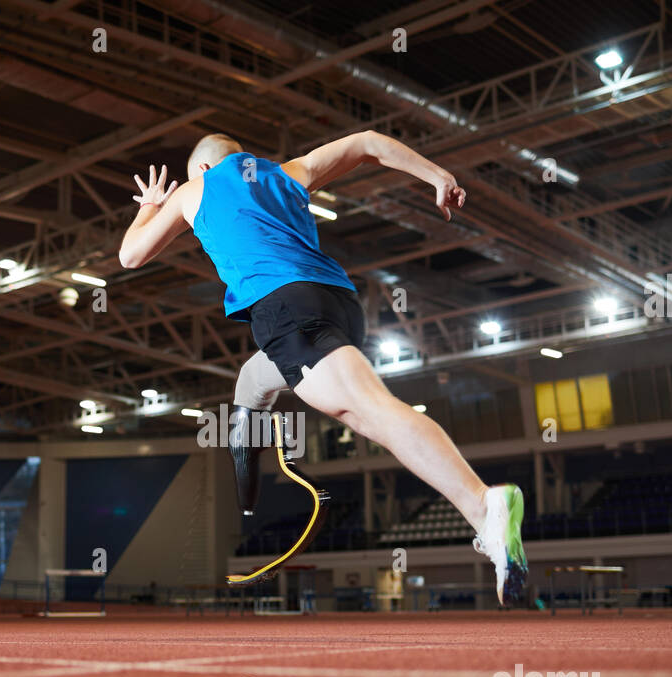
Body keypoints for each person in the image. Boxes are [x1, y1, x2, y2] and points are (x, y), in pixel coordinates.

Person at [117, 131, 527, 605]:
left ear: (204, 169)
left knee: (376, 412)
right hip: (337, 304)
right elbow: (369, 143)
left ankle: (483, 505)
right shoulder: (289, 171)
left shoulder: (195, 189)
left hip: (285, 307)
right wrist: (437, 175)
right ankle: (246, 451)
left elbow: (130, 255)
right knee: (267, 384)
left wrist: (150, 205)